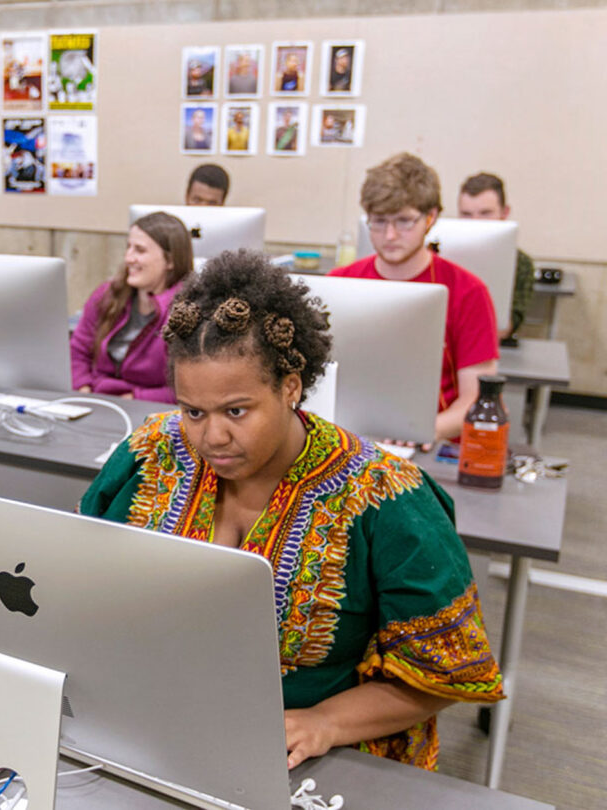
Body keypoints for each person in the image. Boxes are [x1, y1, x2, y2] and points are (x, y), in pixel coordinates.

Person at [80, 251, 504, 770]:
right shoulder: (150, 454)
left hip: (311, 762)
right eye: (192, 411)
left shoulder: (386, 498)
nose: (211, 436)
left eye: (236, 411)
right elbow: (85, 586)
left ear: (291, 387)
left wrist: (326, 721)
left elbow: (446, 671)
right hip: (156, 728)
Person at [330, 153, 498, 442]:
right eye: (379, 221)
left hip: (430, 441)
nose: (390, 235)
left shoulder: (468, 292)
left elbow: (475, 400)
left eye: (404, 221)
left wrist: (422, 432)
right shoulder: (338, 283)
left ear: (430, 218)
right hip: (349, 438)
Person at [70, 212, 193, 402]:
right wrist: (83, 388)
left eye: (140, 250)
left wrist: (134, 398)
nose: (128, 258)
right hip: (96, 401)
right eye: (128, 248)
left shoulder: (187, 313)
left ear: (170, 261)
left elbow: (190, 388)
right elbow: (78, 350)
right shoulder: (107, 295)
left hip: (150, 412)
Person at [457, 172, 535, 339]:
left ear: (504, 213)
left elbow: (508, 326)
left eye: (485, 213)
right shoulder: (441, 255)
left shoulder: (520, 263)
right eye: (466, 214)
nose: (475, 223)